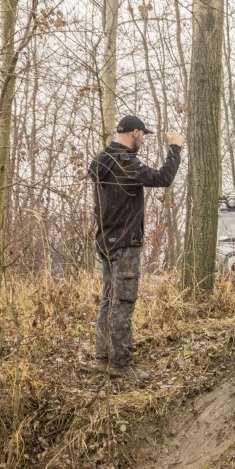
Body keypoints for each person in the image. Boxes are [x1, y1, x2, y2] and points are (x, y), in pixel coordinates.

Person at [88, 115, 184, 381]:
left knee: (109, 300)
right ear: (135, 133)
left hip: (106, 241)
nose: (143, 140)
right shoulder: (126, 163)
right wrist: (175, 148)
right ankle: (120, 364)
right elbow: (163, 178)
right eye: (143, 135)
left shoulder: (102, 160)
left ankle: (104, 357)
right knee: (123, 302)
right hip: (125, 244)